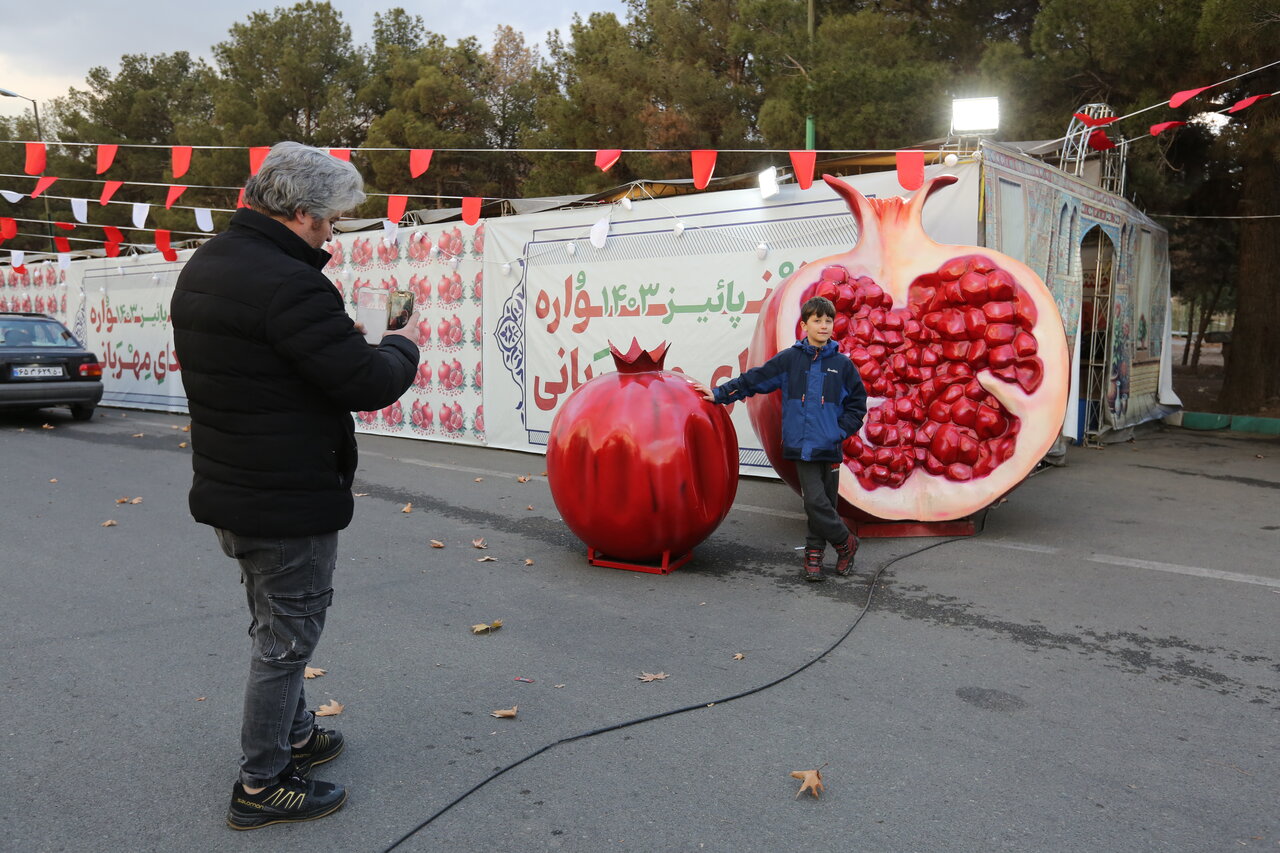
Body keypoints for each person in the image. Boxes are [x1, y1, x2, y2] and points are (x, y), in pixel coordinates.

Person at [171, 141, 421, 830]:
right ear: (303, 213)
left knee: (274, 623)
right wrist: (402, 340)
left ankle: (298, 736)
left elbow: (275, 368)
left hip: (236, 485)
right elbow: (366, 382)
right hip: (284, 496)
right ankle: (262, 780)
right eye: (332, 220)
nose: (334, 233)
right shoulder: (289, 282)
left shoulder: (210, 264)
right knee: (286, 642)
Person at [692, 296, 867, 582]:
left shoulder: (842, 366)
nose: (824, 326)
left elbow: (858, 404)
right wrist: (721, 394)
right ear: (804, 325)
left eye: (828, 321)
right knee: (814, 500)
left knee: (824, 504)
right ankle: (845, 542)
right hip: (802, 444)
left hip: (830, 444)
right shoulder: (790, 360)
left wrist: (839, 430)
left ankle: (814, 555)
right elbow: (755, 379)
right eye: (817, 320)